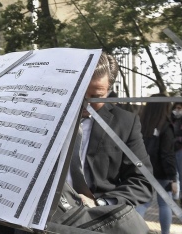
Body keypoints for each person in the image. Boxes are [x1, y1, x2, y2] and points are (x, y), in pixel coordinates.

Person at [70, 52, 153, 208]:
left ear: (108, 91)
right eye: (79, 93)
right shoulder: (42, 116)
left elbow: (142, 182)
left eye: (96, 96)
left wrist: (100, 203)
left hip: (92, 221)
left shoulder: (125, 123)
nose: (85, 103)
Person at [135, 95, 178, 234]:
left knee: (142, 204)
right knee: (165, 204)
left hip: (143, 169)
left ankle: (135, 230)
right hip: (162, 173)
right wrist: (173, 178)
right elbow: (167, 154)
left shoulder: (141, 123)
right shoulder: (166, 126)